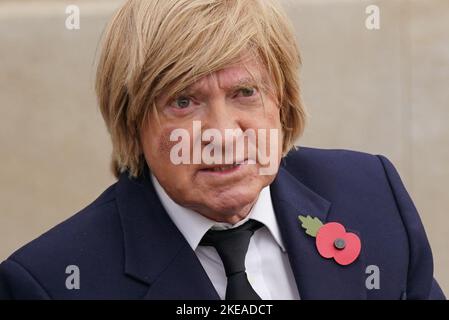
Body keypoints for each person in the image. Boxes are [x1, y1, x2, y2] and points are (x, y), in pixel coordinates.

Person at [0, 0, 445, 300]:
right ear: (132, 123)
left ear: (283, 104)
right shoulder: (51, 282)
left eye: (245, 92)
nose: (222, 134)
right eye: (183, 101)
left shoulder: (373, 196)